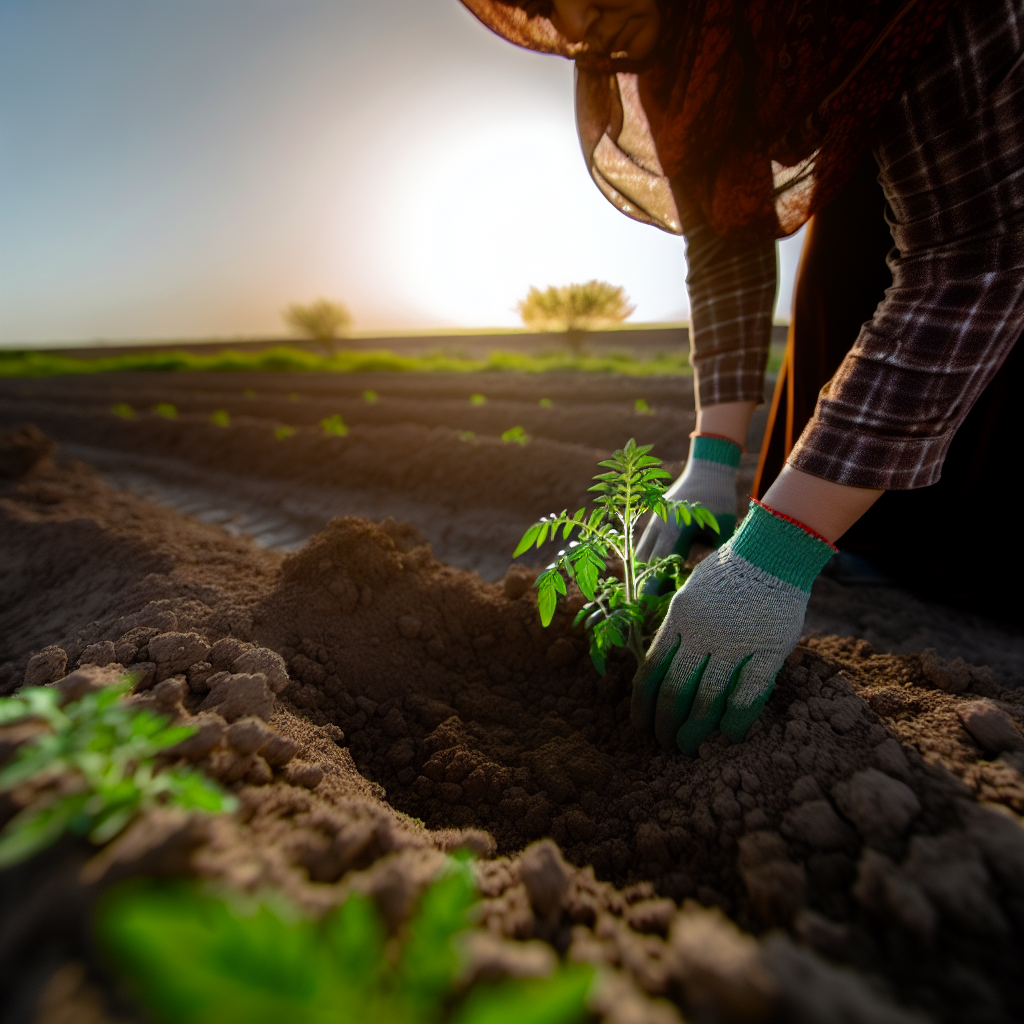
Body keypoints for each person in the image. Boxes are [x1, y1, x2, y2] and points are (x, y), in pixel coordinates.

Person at [459, 0, 1023, 754]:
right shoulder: (669, 70)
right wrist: (712, 461)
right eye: (553, 8)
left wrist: (783, 547)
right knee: (832, 282)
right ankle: (885, 538)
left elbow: (980, 252)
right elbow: (726, 250)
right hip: (897, 148)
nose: (583, 18)